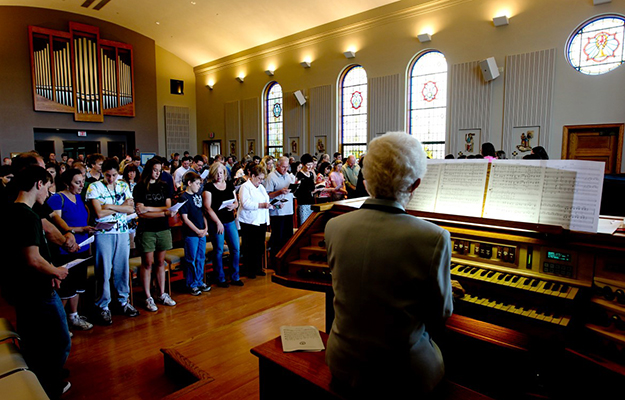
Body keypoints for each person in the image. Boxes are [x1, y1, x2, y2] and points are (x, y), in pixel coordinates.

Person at [325, 131, 454, 396]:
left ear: (366, 177)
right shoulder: (434, 236)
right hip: (402, 373)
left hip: (342, 359)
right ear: (415, 184)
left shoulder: (333, 226)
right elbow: (440, 314)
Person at [2, 165, 71, 397]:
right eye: (48, 188)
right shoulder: (28, 215)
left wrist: (50, 272)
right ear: (39, 184)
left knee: (33, 339)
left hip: (24, 288)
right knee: (60, 340)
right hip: (35, 290)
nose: (49, 195)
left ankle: (41, 376)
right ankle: (48, 383)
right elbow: (32, 258)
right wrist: (56, 271)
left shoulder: (11, 210)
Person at [86, 158, 139, 325]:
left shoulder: (123, 185)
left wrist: (108, 206)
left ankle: (123, 301)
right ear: (103, 173)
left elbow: (131, 208)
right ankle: (103, 305)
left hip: (122, 231)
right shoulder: (94, 187)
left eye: (114, 175)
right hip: (104, 233)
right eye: (108, 175)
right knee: (103, 270)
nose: (111, 178)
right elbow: (99, 214)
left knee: (122, 269)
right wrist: (119, 206)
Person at [47, 169, 96, 332]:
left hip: (83, 246)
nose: (82, 185)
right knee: (65, 287)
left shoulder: (79, 197)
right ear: (67, 183)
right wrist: (78, 230)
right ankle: (58, 324)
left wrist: (86, 229)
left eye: (82, 181)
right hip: (66, 249)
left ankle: (73, 316)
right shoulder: (57, 198)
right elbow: (57, 225)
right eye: (77, 182)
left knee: (78, 285)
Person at [133, 157, 177, 311]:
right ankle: (147, 296)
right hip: (147, 229)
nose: (157, 173)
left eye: (160, 170)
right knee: (147, 263)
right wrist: (162, 212)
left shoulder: (163, 186)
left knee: (160, 262)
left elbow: (168, 208)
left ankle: (161, 293)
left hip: (163, 228)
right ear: (149, 170)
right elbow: (141, 213)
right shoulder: (139, 187)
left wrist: (149, 209)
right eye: (155, 170)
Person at [202, 162, 243, 287]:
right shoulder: (209, 187)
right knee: (219, 250)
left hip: (229, 220)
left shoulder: (229, 184)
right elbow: (207, 207)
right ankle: (220, 277)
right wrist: (218, 222)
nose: (219, 176)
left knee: (236, 248)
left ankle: (235, 276)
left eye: (221, 173)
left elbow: (236, 202)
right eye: (217, 173)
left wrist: (234, 205)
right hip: (216, 221)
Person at [179, 171, 211, 295]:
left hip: (202, 232)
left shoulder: (198, 196)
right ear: (189, 183)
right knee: (191, 258)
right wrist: (197, 230)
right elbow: (185, 218)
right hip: (191, 234)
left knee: (200, 257)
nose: (199, 186)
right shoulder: (184, 198)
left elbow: (203, 213)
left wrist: (206, 228)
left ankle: (199, 281)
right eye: (197, 183)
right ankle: (191, 283)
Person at [238, 165, 271, 278]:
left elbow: (266, 199)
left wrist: (273, 205)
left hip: (260, 219)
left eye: (262, 179)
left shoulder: (260, 187)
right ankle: (248, 269)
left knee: (259, 245)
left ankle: (257, 267)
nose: (261, 181)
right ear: (252, 176)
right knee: (249, 246)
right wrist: (261, 205)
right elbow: (245, 203)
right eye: (259, 178)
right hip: (249, 220)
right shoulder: (245, 187)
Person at [265, 156, 296, 267]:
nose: (285, 169)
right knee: (278, 237)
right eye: (283, 167)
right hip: (277, 211)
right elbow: (267, 195)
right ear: (277, 166)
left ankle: (286, 258)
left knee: (288, 236)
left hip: (288, 209)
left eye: (287, 167)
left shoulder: (289, 175)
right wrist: (279, 192)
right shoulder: (271, 177)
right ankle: (275, 261)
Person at [294, 153, 321, 225]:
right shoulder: (299, 174)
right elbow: (297, 189)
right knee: (303, 223)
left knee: (310, 223)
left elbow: (312, 187)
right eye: (308, 165)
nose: (310, 167)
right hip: (303, 201)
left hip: (310, 200)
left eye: (311, 165)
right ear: (303, 164)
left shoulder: (311, 174)